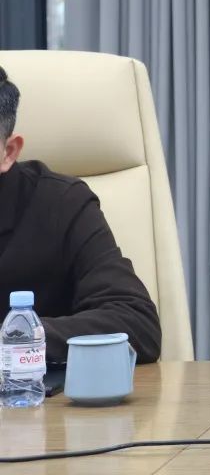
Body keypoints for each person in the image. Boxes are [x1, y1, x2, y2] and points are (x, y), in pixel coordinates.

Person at [0, 66, 161, 364]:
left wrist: (16, 339)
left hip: (32, 391)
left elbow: (137, 324)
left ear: (8, 152)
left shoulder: (60, 204)